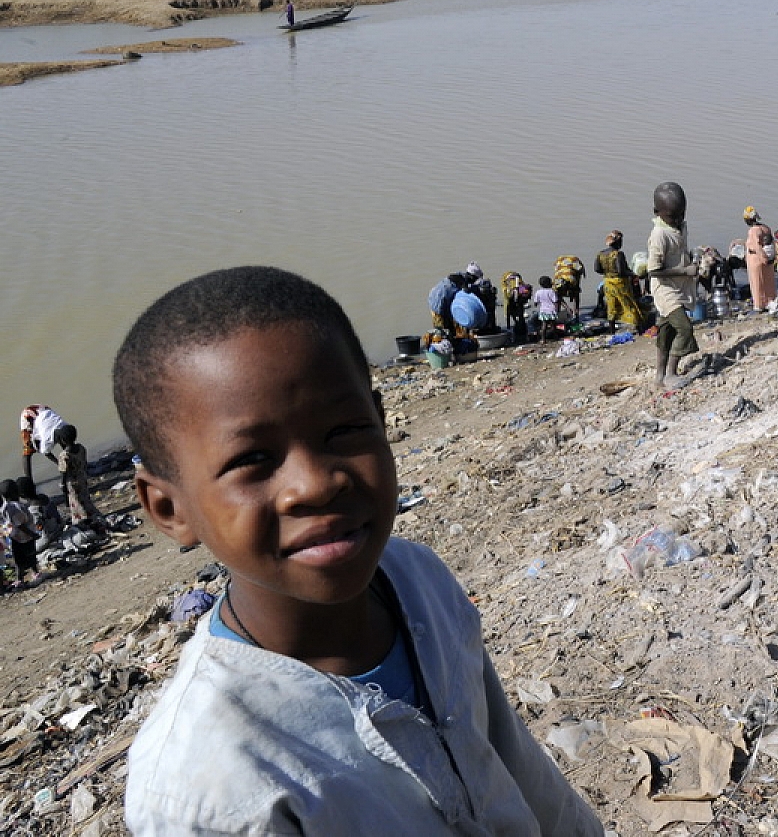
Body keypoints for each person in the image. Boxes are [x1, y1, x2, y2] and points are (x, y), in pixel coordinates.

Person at [114, 266, 603, 836]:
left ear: (380, 419)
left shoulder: (419, 580)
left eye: (343, 431)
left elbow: (513, 761)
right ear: (170, 509)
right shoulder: (209, 781)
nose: (316, 484)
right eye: (253, 461)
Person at [647, 182, 704, 389]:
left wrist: (692, 262)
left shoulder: (680, 226)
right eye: (673, 216)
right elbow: (653, 270)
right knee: (684, 328)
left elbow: (681, 252)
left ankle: (659, 375)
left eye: (681, 214)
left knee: (666, 330)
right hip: (665, 288)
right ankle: (671, 373)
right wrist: (684, 271)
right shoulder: (659, 236)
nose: (678, 219)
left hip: (680, 285)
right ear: (657, 212)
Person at [54, 424, 106, 529]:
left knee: (75, 502)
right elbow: (84, 463)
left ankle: (82, 521)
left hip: (72, 483)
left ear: (63, 440)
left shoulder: (64, 456)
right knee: (85, 498)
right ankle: (91, 515)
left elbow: (63, 473)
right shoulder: (81, 448)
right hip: (82, 477)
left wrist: (63, 485)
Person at [595, 230, 644, 330]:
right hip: (619, 283)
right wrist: (633, 274)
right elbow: (621, 271)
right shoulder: (618, 254)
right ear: (617, 242)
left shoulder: (600, 254)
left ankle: (612, 330)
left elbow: (597, 269)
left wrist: (607, 273)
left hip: (608, 282)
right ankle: (639, 328)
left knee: (611, 306)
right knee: (629, 304)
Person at [1, 479, 40, 587]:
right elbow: (20, 525)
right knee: (31, 556)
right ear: (16, 492)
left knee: (18, 561)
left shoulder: (4, 507)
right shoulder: (16, 507)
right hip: (25, 537)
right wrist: (33, 534)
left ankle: (19, 579)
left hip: (14, 537)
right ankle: (35, 573)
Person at [742, 207, 778, 311]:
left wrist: (763, 258)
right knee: (768, 281)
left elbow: (757, 247)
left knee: (757, 283)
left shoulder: (753, 231)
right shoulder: (765, 228)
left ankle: (758, 305)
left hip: (756, 259)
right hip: (768, 259)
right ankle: (770, 301)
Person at [19, 403, 65, 482]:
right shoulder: (46, 437)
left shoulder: (63, 426)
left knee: (64, 439)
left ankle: (70, 462)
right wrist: (59, 464)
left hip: (44, 411)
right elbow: (45, 452)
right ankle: (29, 481)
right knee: (28, 450)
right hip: (28, 417)